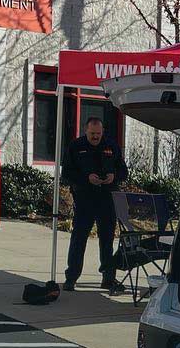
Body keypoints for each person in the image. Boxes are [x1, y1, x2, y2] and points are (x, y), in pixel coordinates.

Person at [62, 117, 128, 293]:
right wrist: (86, 178)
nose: (95, 137)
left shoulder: (111, 146)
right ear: (86, 131)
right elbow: (67, 173)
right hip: (85, 199)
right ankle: (71, 277)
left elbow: (123, 171)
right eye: (92, 134)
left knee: (107, 240)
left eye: (98, 134)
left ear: (102, 132)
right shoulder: (76, 146)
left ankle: (108, 278)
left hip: (107, 199)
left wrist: (114, 175)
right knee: (79, 239)